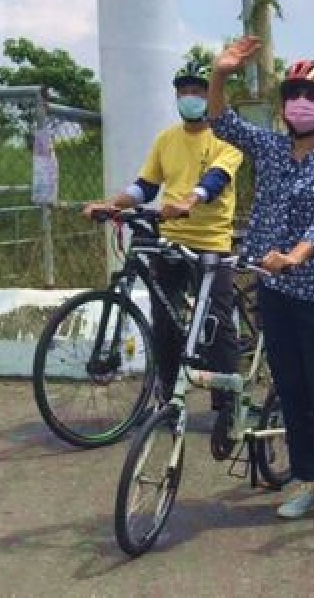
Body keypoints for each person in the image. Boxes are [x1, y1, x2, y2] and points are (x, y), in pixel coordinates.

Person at [208, 39, 314, 529]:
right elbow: (221, 122)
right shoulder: (270, 147)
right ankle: (303, 478)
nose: (300, 104)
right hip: (275, 292)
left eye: (311, 97)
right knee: (291, 389)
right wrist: (220, 75)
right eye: (293, 94)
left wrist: (293, 256)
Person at [82, 60, 243, 413]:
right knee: (164, 320)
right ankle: (168, 397)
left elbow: (216, 179)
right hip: (169, 237)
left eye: (197, 91)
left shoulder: (226, 137)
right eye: (183, 92)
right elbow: (146, 186)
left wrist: (190, 200)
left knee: (217, 319)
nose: (190, 98)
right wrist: (111, 204)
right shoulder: (166, 139)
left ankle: (229, 403)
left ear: (211, 95)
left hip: (210, 240)